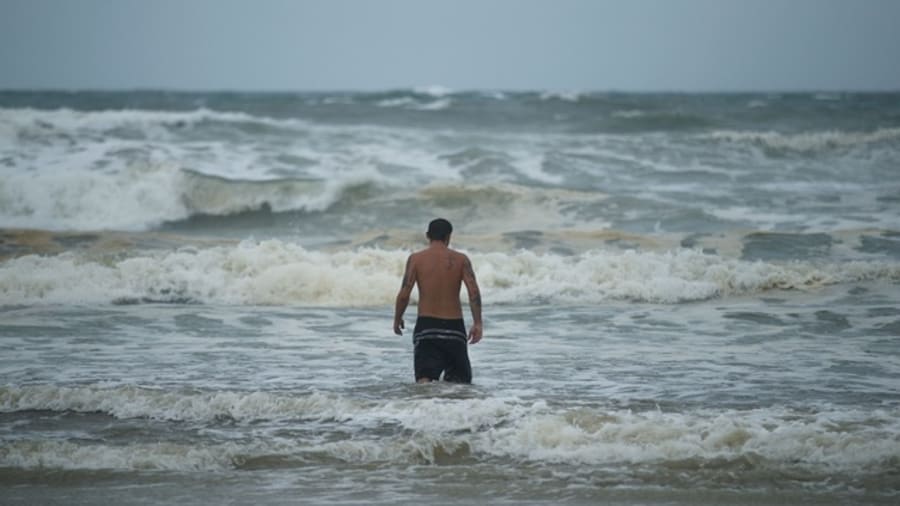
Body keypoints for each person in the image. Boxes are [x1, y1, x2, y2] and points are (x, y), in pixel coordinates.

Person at [393, 218, 483, 383]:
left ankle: (426, 409)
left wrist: (397, 319)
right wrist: (478, 323)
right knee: (459, 385)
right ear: (449, 236)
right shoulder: (461, 260)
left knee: (424, 383)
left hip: (427, 327)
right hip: (454, 328)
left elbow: (404, 293)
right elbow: (474, 292)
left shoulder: (416, 259)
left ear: (428, 235)